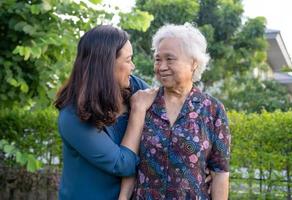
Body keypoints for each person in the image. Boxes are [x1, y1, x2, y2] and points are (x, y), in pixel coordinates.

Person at [119, 23, 231, 200]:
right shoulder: (145, 104)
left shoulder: (212, 109)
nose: (161, 66)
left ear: (193, 63)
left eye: (169, 59)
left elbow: (220, 173)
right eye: (157, 59)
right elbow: (129, 162)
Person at [54, 25, 156, 200]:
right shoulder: (72, 116)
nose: (133, 66)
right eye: (128, 60)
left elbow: (172, 111)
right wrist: (138, 113)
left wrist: (202, 162)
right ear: (106, 65)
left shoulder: (133, 86)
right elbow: (122, 164)